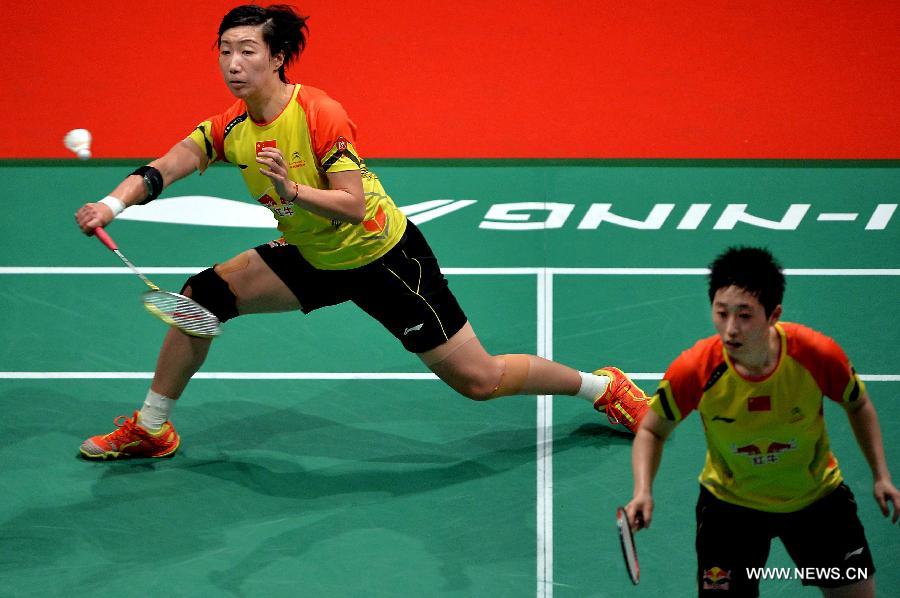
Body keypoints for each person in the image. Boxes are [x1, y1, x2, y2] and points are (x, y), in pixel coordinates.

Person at [74, 4, 650, 460]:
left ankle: (601, 388)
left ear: (277, 59)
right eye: (224, 50)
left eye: (247, 50)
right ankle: (151, 427)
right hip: (310, 255)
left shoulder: (320, 112)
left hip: (383, 258)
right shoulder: (232, 126)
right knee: (200, 300)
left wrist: (292, 190)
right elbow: (171, 160)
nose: (232, 63)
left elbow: (350, 206)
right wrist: (112, 204)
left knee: (479, 380)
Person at [625, 246, 899, 597]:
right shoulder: (696, 369)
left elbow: (857, 404)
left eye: (744, 315)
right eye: (721, 313)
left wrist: (881, 475)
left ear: (774, 314)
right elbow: (651, 429)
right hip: (730, 509)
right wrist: (643, 490)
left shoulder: (815, 355)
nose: (730, 330)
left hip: (816, 500)